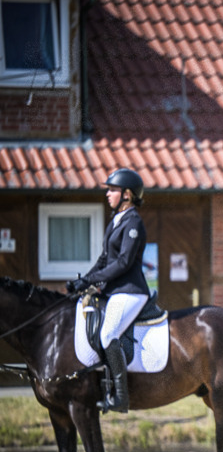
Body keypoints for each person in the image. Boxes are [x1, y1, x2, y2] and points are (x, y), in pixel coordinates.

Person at [66, 168, 150, 413]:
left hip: (131, 291)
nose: (108, 194)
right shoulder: (116, 220)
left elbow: (123, 263)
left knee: (107, 334)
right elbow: (104, 259)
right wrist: (84, 280)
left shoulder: (133, 222)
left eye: (112, 190)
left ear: (127, 195)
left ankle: (121, 397)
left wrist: (94, 282)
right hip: (115, 291)